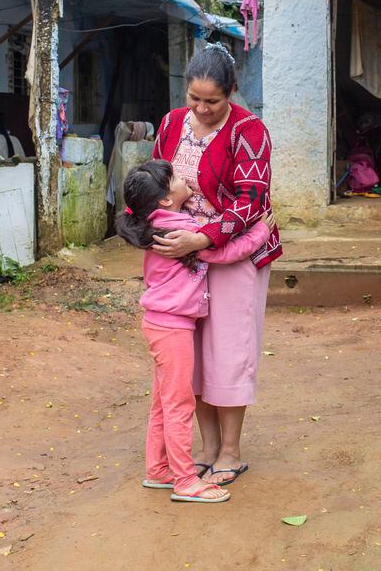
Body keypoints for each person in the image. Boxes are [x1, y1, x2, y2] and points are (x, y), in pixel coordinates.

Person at [150, 42, 282, 487]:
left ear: (232, 93)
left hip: (234, 253)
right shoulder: (170, 123)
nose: (202, 109)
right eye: (195, 99)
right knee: (194, 357)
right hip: (182, 259)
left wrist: (202, 236)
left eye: (213, 101)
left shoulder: (251, 131)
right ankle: (205, 449)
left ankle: (230, 451)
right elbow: (154, 182)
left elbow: (251, 202)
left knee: (229, 350)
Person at [116, 160, 274, 504]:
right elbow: (228, 251)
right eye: (175, 177)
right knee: (178, 404)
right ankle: (186, 481)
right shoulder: (182, 230)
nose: (184, 177)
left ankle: (158, 470)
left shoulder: (157, 222)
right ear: (165, 199)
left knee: (163, 402)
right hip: (172, 327)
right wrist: (262, 230)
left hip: (161, 324)